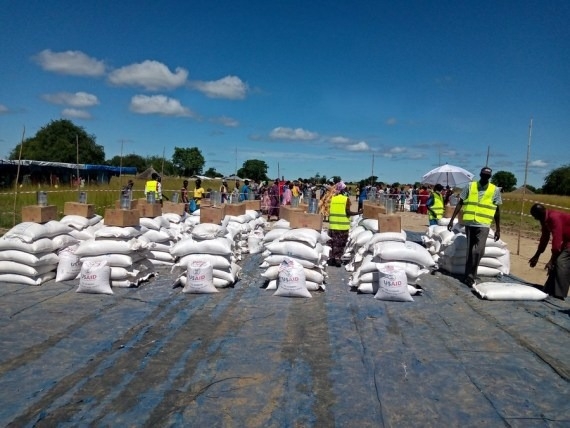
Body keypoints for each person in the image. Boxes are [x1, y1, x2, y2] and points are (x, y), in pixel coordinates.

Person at [447, 167, 502, 288]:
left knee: (477, 251)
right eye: (484, 174)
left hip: (484, 224)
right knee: (469, 251)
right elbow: (460, 203)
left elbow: (497, 210)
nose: (485, 177)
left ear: (490, 177)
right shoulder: (470, 186)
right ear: (480, 174)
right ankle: (469, 275)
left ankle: (471, 275)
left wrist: (498, 229)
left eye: (488, 175)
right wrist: (451, 220)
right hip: (470, 222)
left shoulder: (495, 190)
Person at [528, 203, 570, 300]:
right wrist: (536, 256)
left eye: (535, 216)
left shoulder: (554, 218)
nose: (535, 219)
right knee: (556, 262)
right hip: (567, 240)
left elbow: (557, 240)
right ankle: (550, 289)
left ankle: (559, 295)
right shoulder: (545, 220)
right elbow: (544, 238)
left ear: (540, 214)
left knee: (561, 262)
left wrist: (551, 260)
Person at [328, 187, 361, 267]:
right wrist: (359, 212)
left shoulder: (333, 199)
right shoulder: (346, 199)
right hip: (342, 226)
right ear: (343, 191)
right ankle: (338, 258)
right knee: (340, 243)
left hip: (333, 224)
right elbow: (348, 212)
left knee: (333, 242)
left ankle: (332, 258)